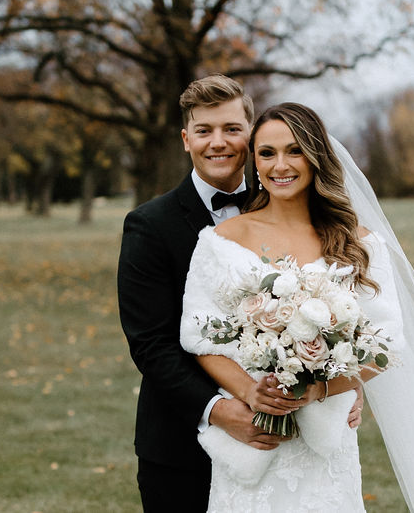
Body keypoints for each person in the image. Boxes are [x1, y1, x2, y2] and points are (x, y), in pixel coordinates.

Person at [180, 102, 414, 512]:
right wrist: (253, 392)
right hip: (253, 435)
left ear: (316, 156)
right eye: (267, 153)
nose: (280, 165)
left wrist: (318, 388)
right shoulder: (221, 240)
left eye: (295, 151)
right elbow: (200, 337)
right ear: (253, 161)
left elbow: (386, 344)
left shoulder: (358, 243)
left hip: (328, 443)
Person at [119, 76, 314, 511]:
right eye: (204, 131)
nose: (218, 142)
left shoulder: (287, 213)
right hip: (180, 448)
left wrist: (341, 389)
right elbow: (151, 345)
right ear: (186, 140)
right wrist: (222, 412)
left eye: (231, 129)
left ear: (250, 135)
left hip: (280, 448)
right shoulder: (149, 226)